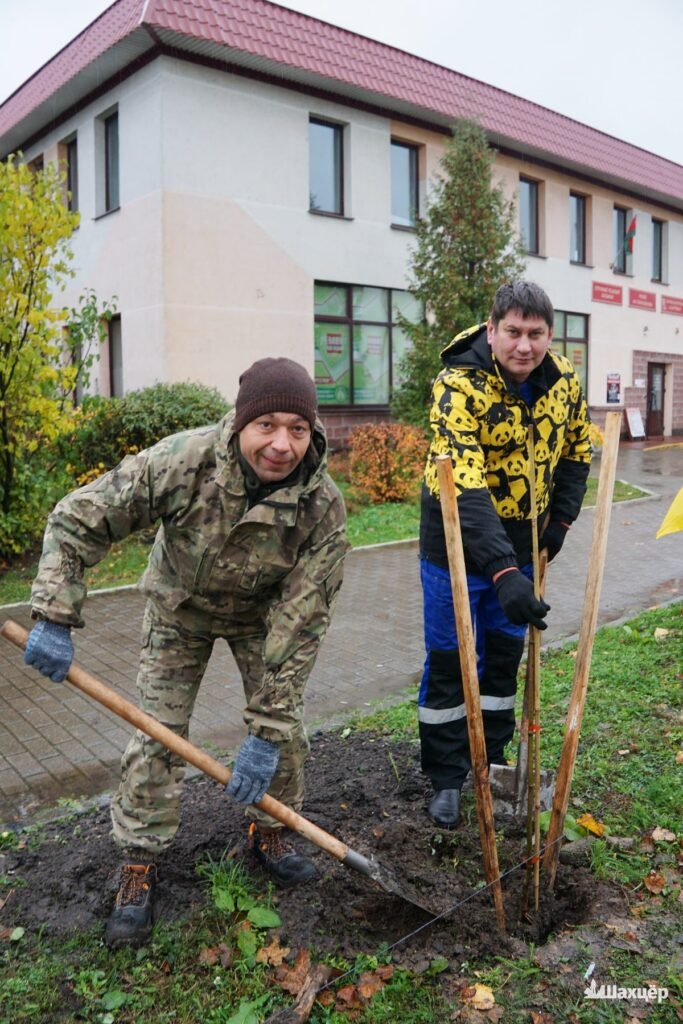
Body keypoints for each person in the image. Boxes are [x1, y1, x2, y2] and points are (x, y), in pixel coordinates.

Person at [23, 357, 348, 947]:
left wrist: (266, 728)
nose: (282, 444)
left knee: (283, 738)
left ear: (312, 432)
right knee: (157, 735)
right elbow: (78, 520)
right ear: (241, 422)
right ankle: (138, 862)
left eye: (297, 429)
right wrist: (53, 614)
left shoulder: (320, 506)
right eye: (267, 425)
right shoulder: (183, 462)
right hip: (178, 610)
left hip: (263, 621)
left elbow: (302, 622)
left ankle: (270, 830)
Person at [418, 281, 592, 827]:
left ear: (549, 336)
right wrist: (503, 572)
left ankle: (490, 762)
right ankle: (447, 777)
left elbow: (578, 450)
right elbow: (465, 484)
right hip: (454, 537)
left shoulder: (562, 381)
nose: (524, 345)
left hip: (523, 539)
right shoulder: (457, 385)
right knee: (451, 660)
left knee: (502, 658)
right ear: (491, 330)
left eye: (535, 334)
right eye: (513, 332)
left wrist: (560, 521)